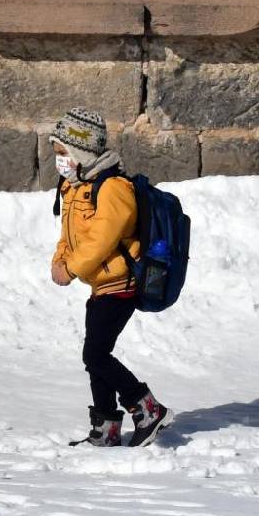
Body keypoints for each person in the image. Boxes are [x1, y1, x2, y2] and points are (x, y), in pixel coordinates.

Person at [49, 108, 175, 448]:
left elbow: (102, 239)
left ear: (80, 152)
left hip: (121, 284)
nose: (58, 160)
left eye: (62, 153)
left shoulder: (114, 188)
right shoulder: (76, 187)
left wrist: (72, 268)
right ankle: (106, 428)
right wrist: (59, 260)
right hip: (100, 286)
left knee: (96, 356)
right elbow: (69, 234)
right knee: (96, 357)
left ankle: (148, 408)